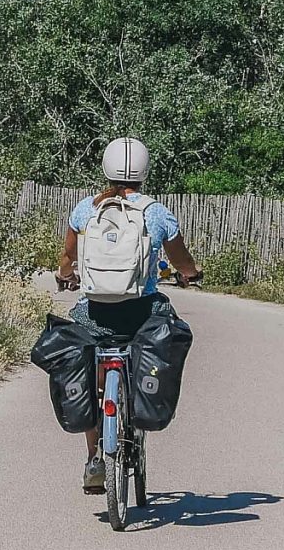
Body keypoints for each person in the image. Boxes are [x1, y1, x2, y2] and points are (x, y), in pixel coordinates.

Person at [55, 135, 200, 493]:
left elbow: (66, 261)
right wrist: (190, 275)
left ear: (105, 167)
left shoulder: (85, 209)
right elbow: (182, 261)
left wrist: (66, 278)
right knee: (169, 334)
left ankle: (94, 458)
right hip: (142, 312)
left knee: (89, 369)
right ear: (144, 171)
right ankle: (142, 404)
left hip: (95, 311)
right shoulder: (156, 212)